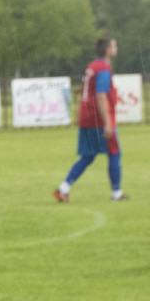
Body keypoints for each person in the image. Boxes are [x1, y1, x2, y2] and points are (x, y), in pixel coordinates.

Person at [55, 37, 127, 202]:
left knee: (88, 156)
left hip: (87, 117)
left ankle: (63, 188)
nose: (116, 48)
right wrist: (107, 123)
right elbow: (101, 96)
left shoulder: (92, 66)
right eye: (114, 46)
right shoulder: (103, 68)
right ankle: (116, 193)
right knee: (114, 153)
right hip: (99, 119)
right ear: (108, 50)